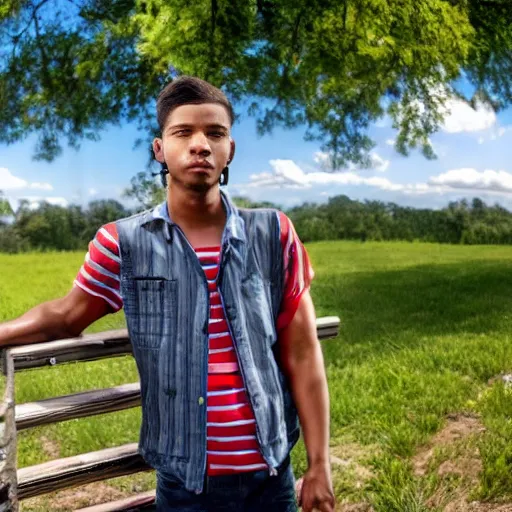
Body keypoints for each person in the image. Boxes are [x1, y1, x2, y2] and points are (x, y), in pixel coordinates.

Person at [0, 76, 335, 512]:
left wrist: (319, 464)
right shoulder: (124, 244)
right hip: (184, 486)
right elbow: (65, 316)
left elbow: (304, 355)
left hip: (271, 478)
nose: (201, 145)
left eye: (215, 133)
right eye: (184, 133)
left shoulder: (273, 234)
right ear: (160, 148)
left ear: (230, 149)